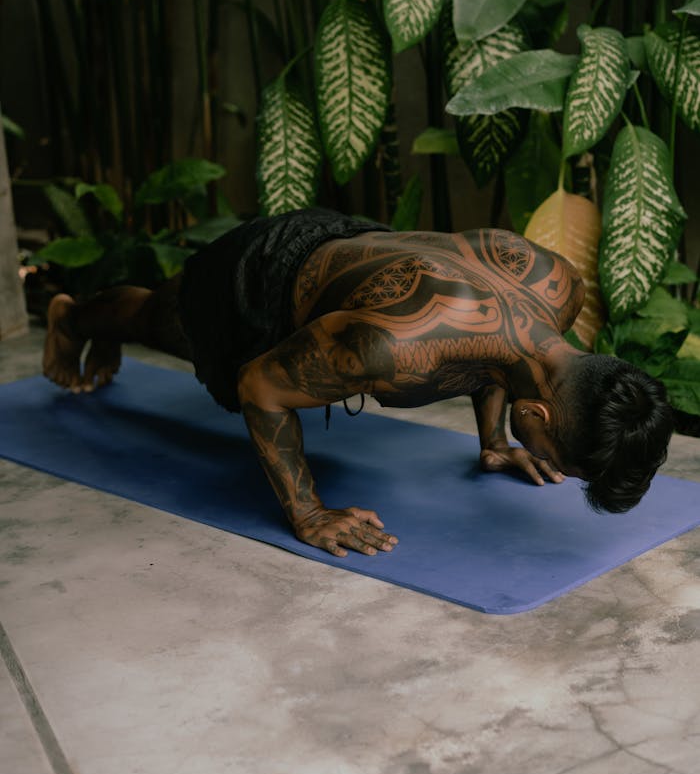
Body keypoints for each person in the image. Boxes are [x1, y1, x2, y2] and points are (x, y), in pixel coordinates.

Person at [42, 207, 674, 559]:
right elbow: (259, 386)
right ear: (536, 413)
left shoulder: (557, 287)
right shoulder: (395, 351)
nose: (551, 464)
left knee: (161, 314)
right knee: (159, 316)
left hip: (353, 246)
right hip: (261, 278)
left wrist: (495, 441)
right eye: (555, 454)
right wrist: (309, 512)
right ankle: (71, 316)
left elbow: (502, 351)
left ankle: (86, 319)